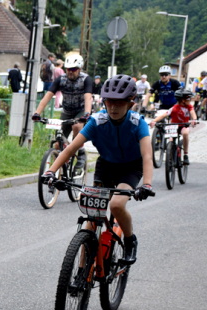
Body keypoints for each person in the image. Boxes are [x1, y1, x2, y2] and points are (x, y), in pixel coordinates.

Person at [42, 74, 154, 264]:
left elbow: (147, 156)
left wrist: (147, 185)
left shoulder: (138, 123)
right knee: (93, 217)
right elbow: (70, 149)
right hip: (106, 165)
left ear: (131, 103)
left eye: (119, 102)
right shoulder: (97, 121)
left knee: (116, 205)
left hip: (130, 167)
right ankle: (81, 274)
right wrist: (51, 171)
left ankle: (129, 241)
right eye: (109, 101)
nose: (113, 107)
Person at [32, 53, 93, 174]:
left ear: (80, 69)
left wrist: (86, 114)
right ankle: (55, 173)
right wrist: (37, 112)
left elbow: (88, 98)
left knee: (76, 126)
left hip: (80, 110)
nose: (70, 72)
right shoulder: (61, 79)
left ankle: (80, 152)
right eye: (68, 69)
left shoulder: (85, 79)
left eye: (74, 69)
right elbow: (48, 95)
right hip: (66, 111)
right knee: (57, 144)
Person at [150, 88, 198, 165]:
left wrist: (194, 120)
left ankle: (185, 155)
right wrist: (153, 121)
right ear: (183, 100)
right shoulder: (174, 108)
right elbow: (163, 115)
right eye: (189, 99)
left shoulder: (189, 107)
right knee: (171, 141)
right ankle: (170, 156)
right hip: (174, 127)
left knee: (185, 134)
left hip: (183, 126)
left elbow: (193, 113)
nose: (190, 100)